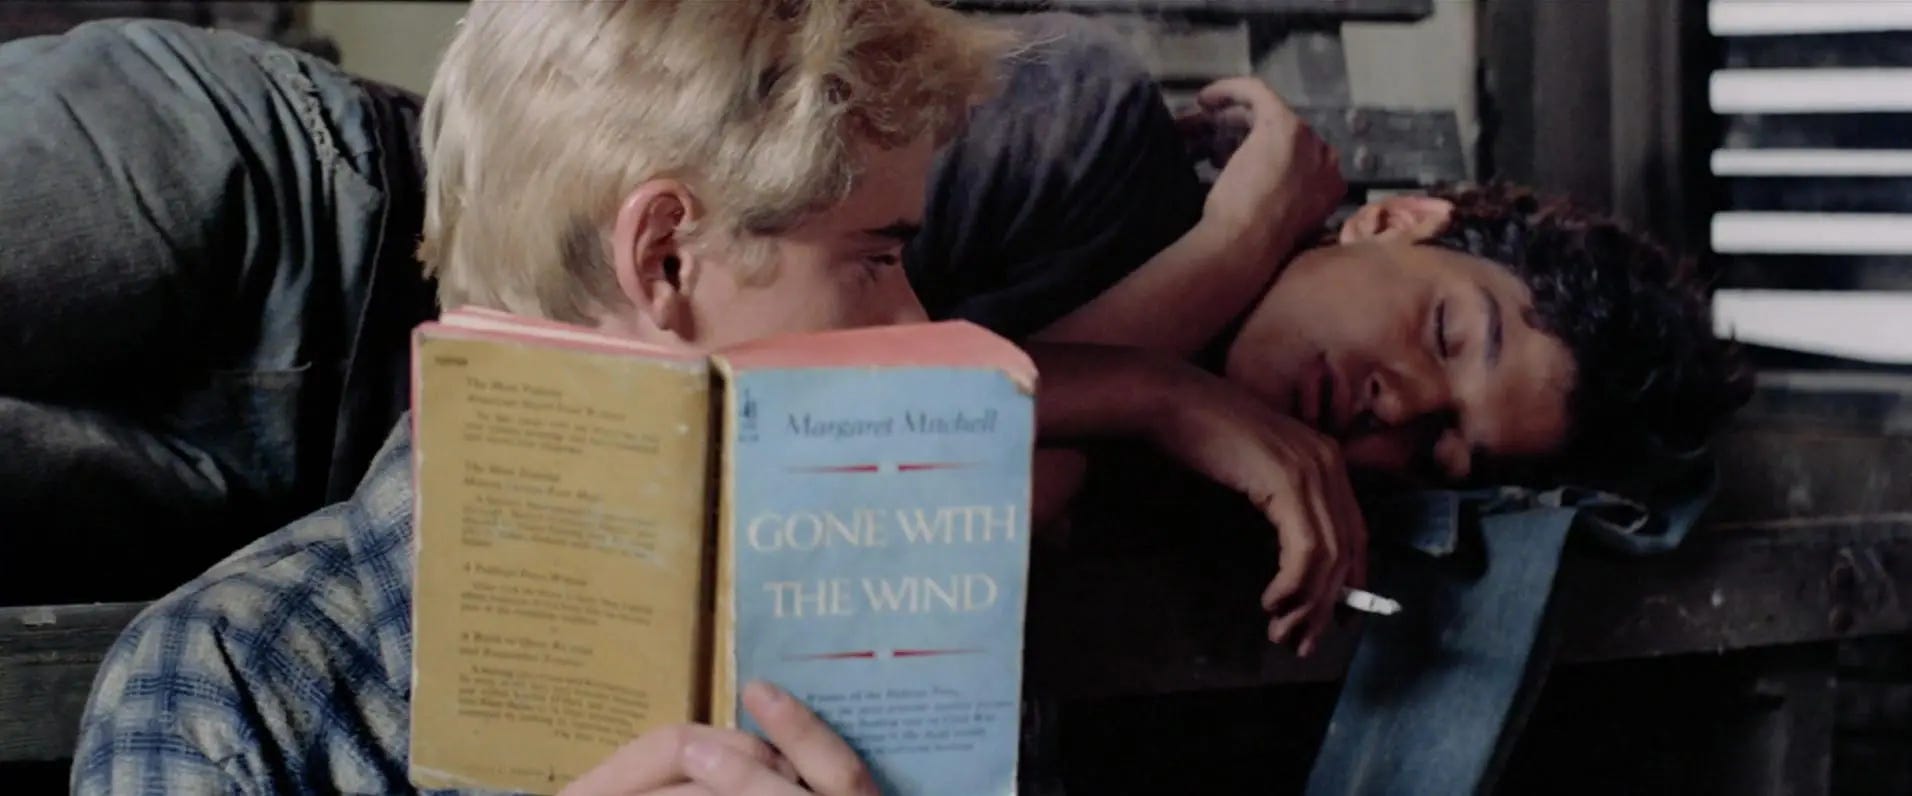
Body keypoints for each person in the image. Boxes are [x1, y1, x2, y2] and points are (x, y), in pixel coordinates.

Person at [59, 3, 1355, 794]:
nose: (917, 325)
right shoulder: (230, 691)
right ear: (665, 258)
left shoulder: (907, 638)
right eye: (880, 257)